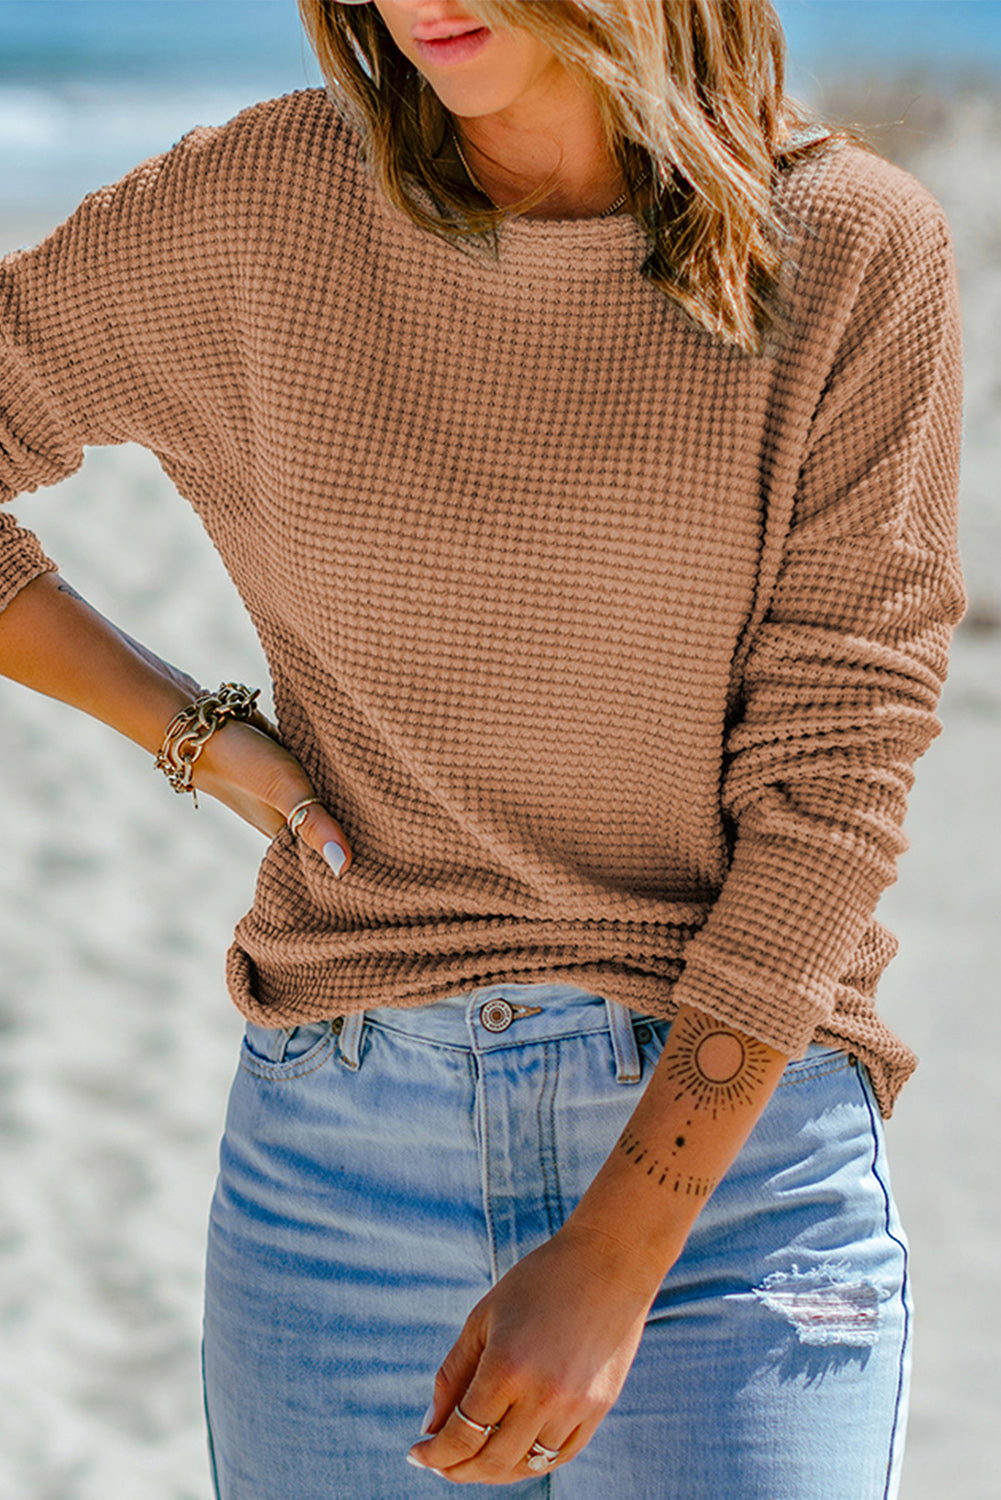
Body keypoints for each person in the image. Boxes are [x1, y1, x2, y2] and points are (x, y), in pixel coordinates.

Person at [0, 1, 964, 1495]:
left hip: (731, 1177)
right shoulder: (261, 203)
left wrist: (617, 1254)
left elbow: (835, 784)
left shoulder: (848, 247)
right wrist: (191, 729)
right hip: (337, 1166)